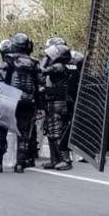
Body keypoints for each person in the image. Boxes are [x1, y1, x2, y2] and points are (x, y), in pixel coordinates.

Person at [0, 33, 40, 174]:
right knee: (23, 134)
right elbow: (39, 85)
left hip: (10, 99)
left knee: (1, 131)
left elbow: (0, 79)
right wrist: (39, 103)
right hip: (28, 100)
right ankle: (19, 165)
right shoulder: (34, 63)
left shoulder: (8, 59)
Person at [39, 40, 76, 171]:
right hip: (54, 103)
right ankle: (55, 160)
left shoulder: (58, 66)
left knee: (57, 133)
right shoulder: (61, 66)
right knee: (51, 133)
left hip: (58, 104)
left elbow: (41, 70)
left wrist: (45, 58)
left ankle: (66, 160)